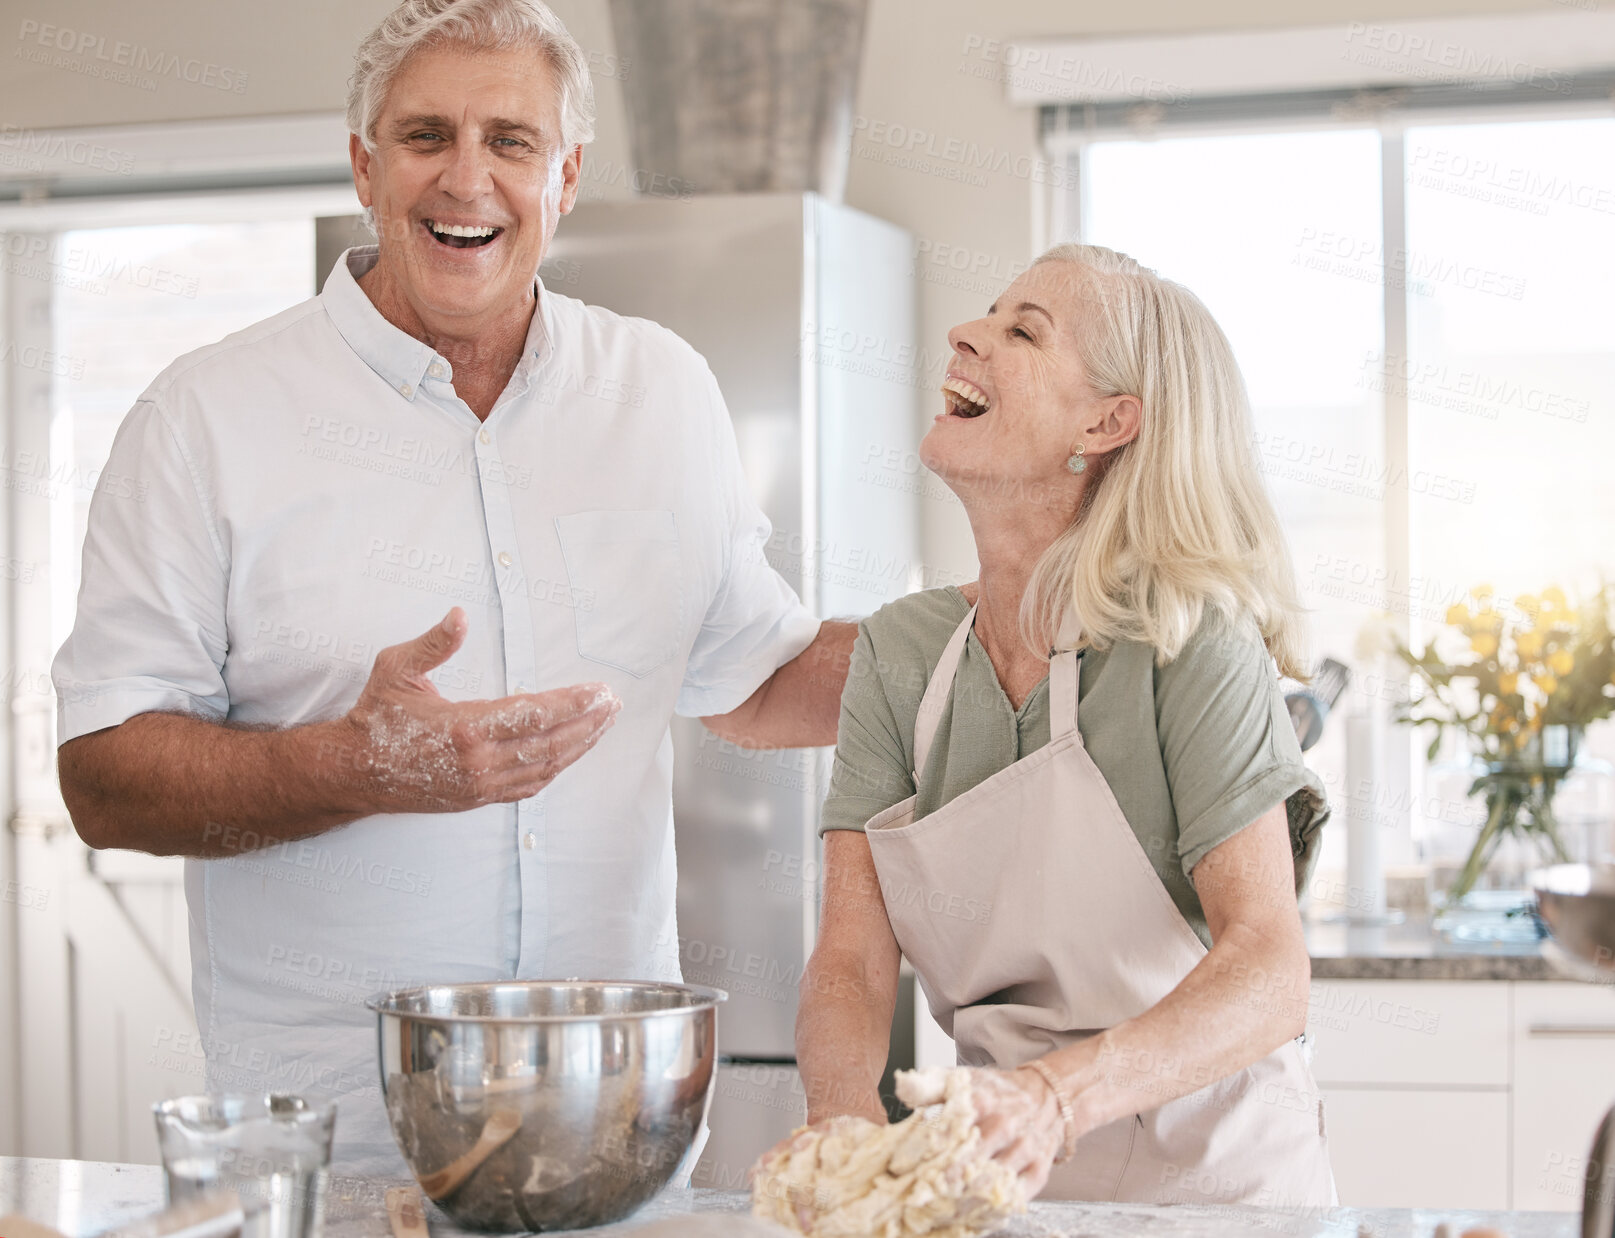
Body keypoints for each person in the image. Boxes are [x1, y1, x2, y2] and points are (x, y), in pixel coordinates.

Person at [51, 0, 852, 1174]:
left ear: (566, 174)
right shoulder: (205, 417)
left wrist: (1007, 634)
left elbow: (752, 673)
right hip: (338, 1143)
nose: (464, 178)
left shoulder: (660, 387)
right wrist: (358, 765)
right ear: (365, 166)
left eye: (511, 142)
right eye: (425, 136)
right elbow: (105, 779)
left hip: (613, 1127)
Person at [789, 244, 1336, 1206]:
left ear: (1106, 422)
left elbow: (1268, 968)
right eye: (986, 314)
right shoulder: (901, 654)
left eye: (1021, 330)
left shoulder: (1187, 642)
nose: (966, 333)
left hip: (1217, 1192)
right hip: (1005, 1186)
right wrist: (843, 1130)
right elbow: (849, 960)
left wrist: (1049, 1099)